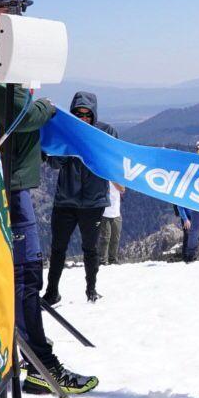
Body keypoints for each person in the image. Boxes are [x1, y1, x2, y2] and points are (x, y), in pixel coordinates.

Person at [0, 0, 96, 394]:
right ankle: (38, 364)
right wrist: (47, 108)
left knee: (11, 271)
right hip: (3, 179)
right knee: (23, 272)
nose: (16, 15)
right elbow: (19, 116)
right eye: (8, 7)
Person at [43, 92, 119, 304]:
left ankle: (91, 291)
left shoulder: (106, 131)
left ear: (94, 114)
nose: (83, 118)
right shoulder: (65, 132)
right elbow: (54, 163)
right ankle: (51, 292)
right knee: (58, 248)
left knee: (90, 248)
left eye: (87, 115)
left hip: (93, 202)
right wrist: (69, 146)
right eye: (79, 114)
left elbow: (113, 162)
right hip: (65, 200)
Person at [98, 180, 124, 266]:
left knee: (115, 238)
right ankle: (102, 260)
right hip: (104, 213)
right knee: (105, 238)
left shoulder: (116, 177)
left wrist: (113, 180)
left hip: (116, 213)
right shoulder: (101, 177)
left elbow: (122, 189)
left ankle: (113, 259)